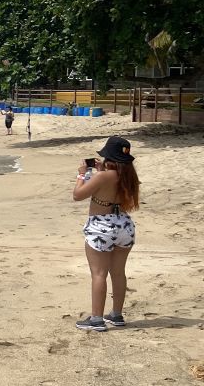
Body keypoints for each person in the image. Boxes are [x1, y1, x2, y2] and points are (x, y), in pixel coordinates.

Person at [72, 136, 140, 331]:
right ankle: (117, 315)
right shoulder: (128, 176)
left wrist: (82, 175)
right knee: (118, 272)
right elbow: (111, 191)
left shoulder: (102, 177)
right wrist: (101, 171)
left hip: (101, 226)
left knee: (98, 274)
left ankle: (96, 319)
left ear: (109, 157)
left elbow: (78, 195)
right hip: (124, 225)